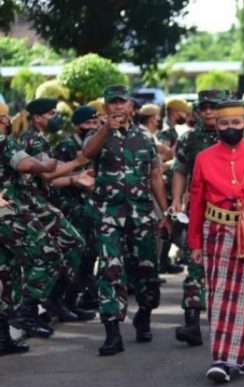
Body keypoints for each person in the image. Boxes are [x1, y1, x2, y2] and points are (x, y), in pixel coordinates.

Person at [187, 100, 244, 383]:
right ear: (216, 125)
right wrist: (194, 244)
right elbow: (197, 200)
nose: (230, 128)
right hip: (217, 231)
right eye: (224, 124)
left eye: (235, 123)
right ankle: (223, 359)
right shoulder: (203, 157)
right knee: (222, 295)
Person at [82, 85, 170, 355]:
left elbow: (155, 175)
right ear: (106, 107)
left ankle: (144, 315)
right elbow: (87, 153)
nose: (118, 107)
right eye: (113, 103)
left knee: (147, 270)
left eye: (122, 102)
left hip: (141, 213)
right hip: (108, 213)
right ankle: (112, 332)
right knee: (110, 270)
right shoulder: (98, 134)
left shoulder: (143, 139)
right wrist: (105, 129)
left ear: (131, 106)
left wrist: (164, 213)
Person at [16, 98, 88, 327]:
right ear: (37, 117)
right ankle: (41, 305)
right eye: (50, 114)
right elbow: (47, 175)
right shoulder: (33, 139)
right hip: (34, 205)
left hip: (41, 202)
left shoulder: (38, 138)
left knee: (65, 249)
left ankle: (56, 301)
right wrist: (79, 161)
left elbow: (49, 180)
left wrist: (76, 178)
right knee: (70, 245)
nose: (55, 117)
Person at [171, 89, 228, 347]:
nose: (208, 112)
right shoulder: (189, 139)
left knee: (228, 268)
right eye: (203, 107)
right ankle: (192, 322)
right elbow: (180, 171)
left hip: (231, 211)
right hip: (199, 209)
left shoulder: (237, 135)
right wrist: (176, 199)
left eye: (213, 107)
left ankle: (226, 324)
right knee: (195, 263)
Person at [49, 105, 102, 315]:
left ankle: (74, 300)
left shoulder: (97, 145)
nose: (90, 127)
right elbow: (54, 179)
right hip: (68, 205)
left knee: (90, 254)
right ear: (76, 126)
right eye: (86, 123)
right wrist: (78, 180)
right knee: (77, 252)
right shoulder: (66, 147)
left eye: (94, 123)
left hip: (86, 205)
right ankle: (62, 301)